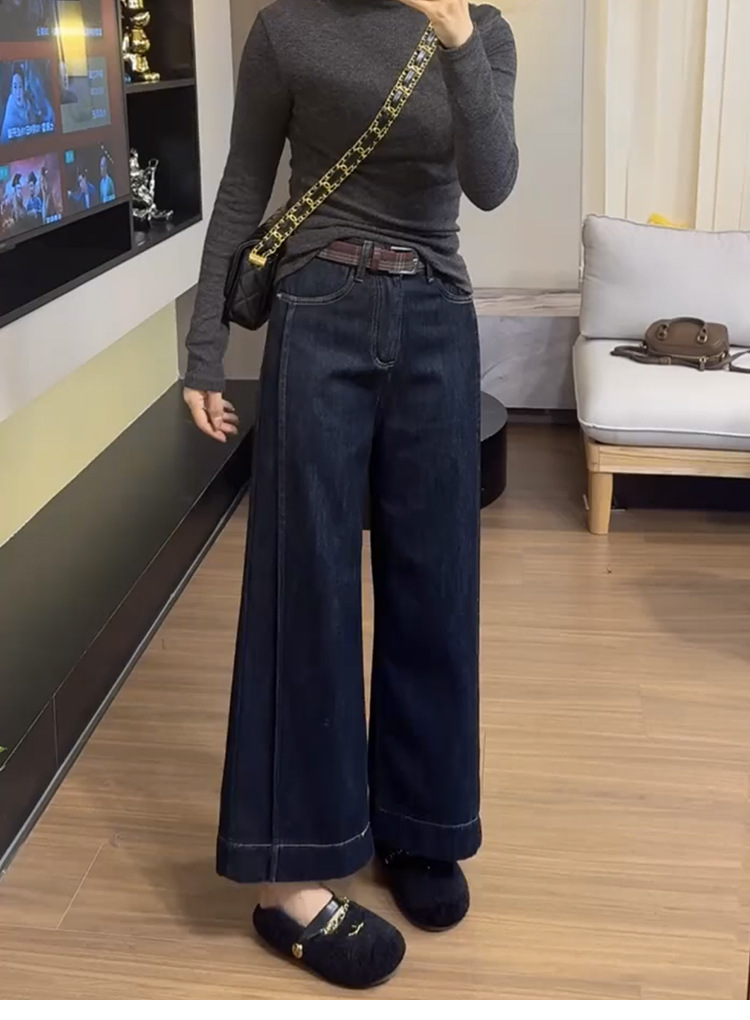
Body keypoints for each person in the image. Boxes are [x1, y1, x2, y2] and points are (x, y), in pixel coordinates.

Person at [183, 0, 517, 990]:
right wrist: (205, 351)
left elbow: (494, 181)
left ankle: (421, 824)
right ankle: (288, 879)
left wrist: (455, 36)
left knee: (435, 586)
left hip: (436, 315)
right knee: (306, 588)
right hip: (318, 309)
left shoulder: (483, 27)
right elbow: (244, 184)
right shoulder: (287, 28)